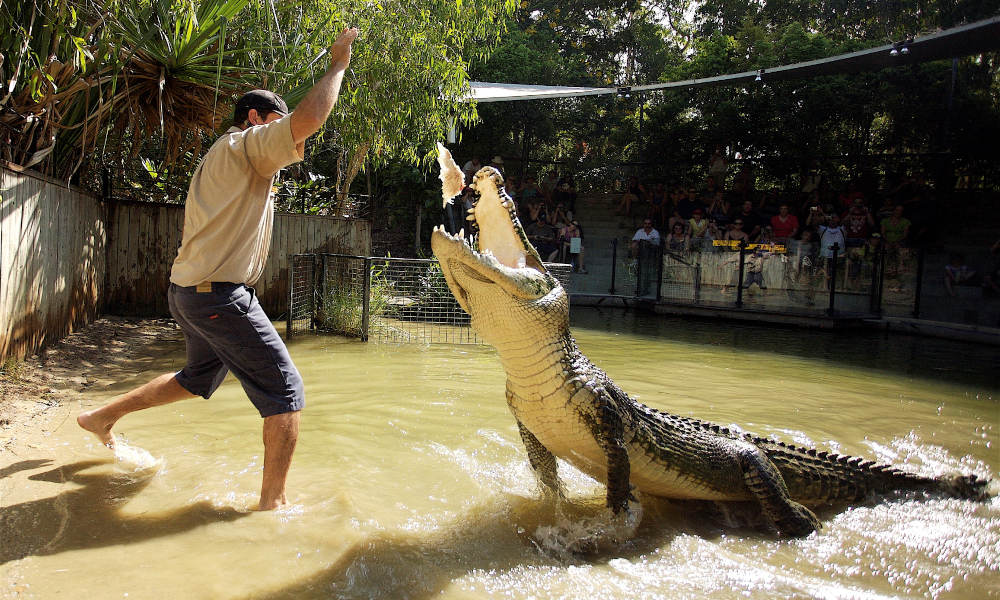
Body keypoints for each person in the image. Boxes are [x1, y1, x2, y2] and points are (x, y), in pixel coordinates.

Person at [76, 27, 360, 511]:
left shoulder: (228, 158)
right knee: (286, 391)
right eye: (275, 120)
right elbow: (311, 118)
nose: (285, 132)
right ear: (253, 119)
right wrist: (337, 66)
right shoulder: (246, 147)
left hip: (190, 292)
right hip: (217, 296)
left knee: (195, 379)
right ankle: (272, 509)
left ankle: (101, 417)